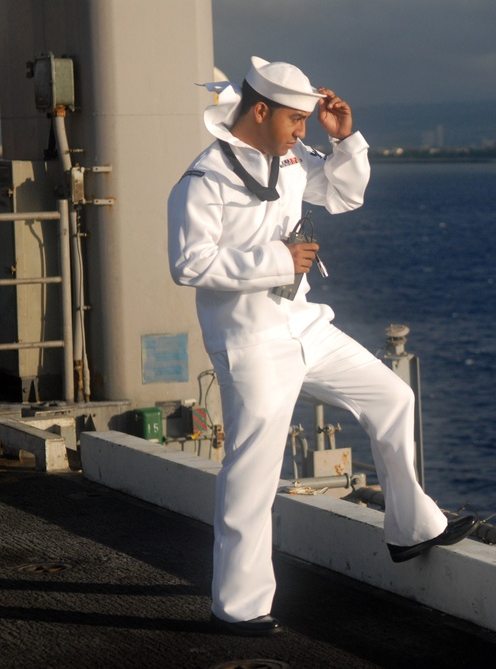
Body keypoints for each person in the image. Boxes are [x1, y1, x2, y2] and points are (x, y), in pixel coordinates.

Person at [167, 56, 476, 637]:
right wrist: (277, 261)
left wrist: (346, 140)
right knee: (253, 475)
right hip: (251, 341)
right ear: (261, 110)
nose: (302, 131)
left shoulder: (286, 159)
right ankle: (238, 607)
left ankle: (412, 528)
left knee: (391, 397)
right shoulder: (203, 179)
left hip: (302, 323)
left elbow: (341, 196)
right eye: (295, 120)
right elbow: (189, 264)